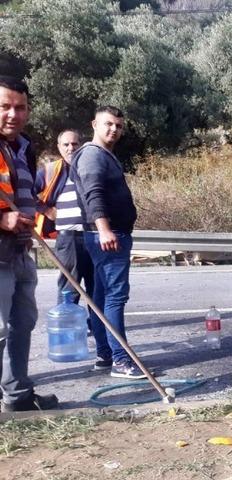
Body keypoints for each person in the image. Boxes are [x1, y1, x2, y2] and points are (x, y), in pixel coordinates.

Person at [0, 76, 59, 411]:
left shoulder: (23, 146)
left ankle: (18, 396)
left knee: (22, 324)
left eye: (20, 107)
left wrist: (32, 212)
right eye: (5, 106)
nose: (13, 114)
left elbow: (25, 196)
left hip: (21, 251)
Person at [71, 106, 144, 379]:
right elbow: (94, 194)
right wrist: (104, 229)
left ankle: (106, 354)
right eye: (108, 124)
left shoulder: (104, 155)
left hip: (109, 234)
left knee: (101, 298)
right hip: (109, 236)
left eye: (118, 126)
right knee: (115, 298)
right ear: (94, 124)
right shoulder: (92, 155)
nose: (114, 129)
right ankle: (121, 361)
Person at [35, 130, 97, 339]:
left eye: (75, 144)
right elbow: (26, 192)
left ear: (81, 145)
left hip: (94, 236)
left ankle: (94, 325)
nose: (71, 148)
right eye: (66, 145)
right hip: (68, 238)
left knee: (96, 285)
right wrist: (48, 211)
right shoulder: (50, 171)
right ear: (59, 147)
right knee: (70, 284)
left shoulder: (89, 167)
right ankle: (68, 328)